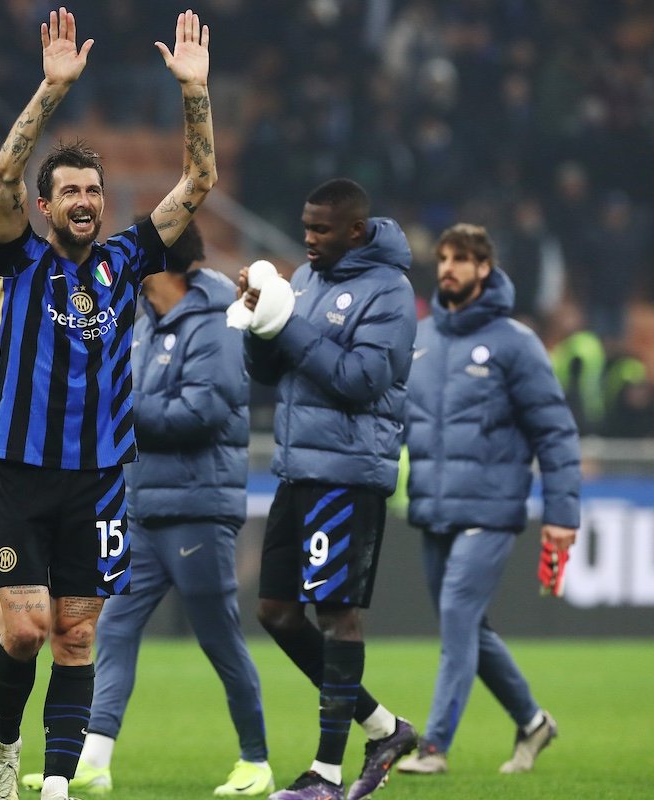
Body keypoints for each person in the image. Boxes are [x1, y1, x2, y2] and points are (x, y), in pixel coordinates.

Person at [0, 8, 216, 800]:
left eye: (93, 188)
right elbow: (5, 174)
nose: (84, 198)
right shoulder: (18, 262)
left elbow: (200, 182)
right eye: (69, 190)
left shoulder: (127, 258)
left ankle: (52, 785)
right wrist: (51, 92)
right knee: (25, 631)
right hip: (20, 472)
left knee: (76, 636)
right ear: (45, 208)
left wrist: (195, 95)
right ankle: (5, 747)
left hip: (99, 478)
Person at [20, 221, 273, 796]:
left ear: (162, 266)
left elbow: (202, 414)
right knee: (116, 632)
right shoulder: (142, 325)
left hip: (198, 507)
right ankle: (94, 758)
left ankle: (256, 760)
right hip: (145, 503)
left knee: (219, 638)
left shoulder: (218, 324)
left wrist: (121, 408)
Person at [236, 179, 419, 800]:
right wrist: (258, 321)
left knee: (338, 616)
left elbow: (359, 378)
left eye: (321, 230)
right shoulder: (307, 280)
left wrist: (286, 327)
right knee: (276, 613)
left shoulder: (391, 293)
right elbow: (268, 370)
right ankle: (385, 728)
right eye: (306, 227)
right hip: (298, 468)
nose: (308, 239)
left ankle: (327, 775)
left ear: (356, 232)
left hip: (348, 472)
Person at [395, 224, 579, 777]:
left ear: (484, 268)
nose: (448, 266)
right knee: (468, 627)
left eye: (461, 259)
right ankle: (532, 722)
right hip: (433, 507)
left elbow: (556, 433)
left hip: (493, 510)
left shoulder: (515, 343)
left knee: (457, 614)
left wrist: (562, 515)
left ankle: (434, 747)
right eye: (444, 256)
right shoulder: (420, 340)